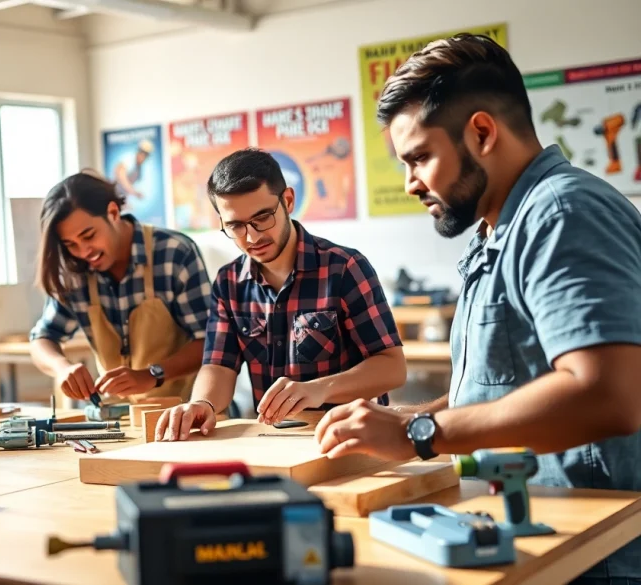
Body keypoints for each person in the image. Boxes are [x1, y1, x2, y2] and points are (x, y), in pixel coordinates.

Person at [312, 34, 641, 585]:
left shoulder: (561, 213)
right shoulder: (498, 228)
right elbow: (511, 384)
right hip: (537, 538)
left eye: (420, 158)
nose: (412, 182)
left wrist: (425, 434)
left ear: (482, 132)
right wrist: (412, 415)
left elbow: (608, 393)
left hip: (594, 559)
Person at [156, 148, 406, 441]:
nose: (252, 237)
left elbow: (392, 367)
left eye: (262, 218)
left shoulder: (345, 268)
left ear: (287, 201)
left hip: (351, 436)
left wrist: (317, 389)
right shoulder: (228, 282)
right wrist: (203, 403)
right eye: (235, 226)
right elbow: (219, 365)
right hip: (275, 440)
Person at [29, 171, 211, 405]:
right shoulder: (76, 271)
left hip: (188, 411)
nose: (84, 251)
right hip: (118, 420)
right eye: (71, 244)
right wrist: (62, 367)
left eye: (89, 235)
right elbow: (41, 339)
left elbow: (210, 341)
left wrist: (152, 374)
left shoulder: (174, 253)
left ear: (113, 213)